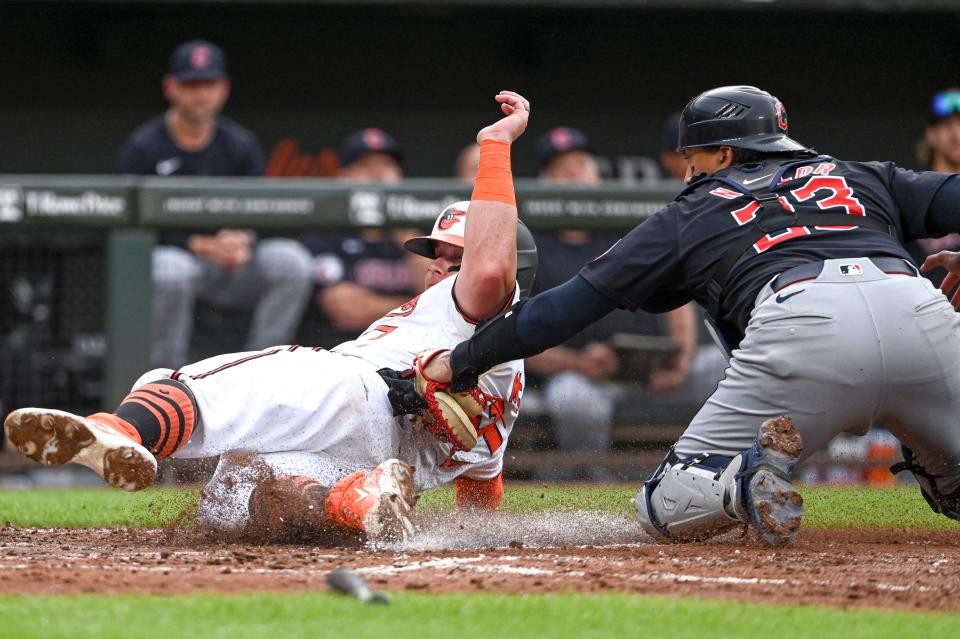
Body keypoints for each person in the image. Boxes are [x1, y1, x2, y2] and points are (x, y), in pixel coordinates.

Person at [422, 85, 960, 546]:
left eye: (693, 157)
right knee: (951, 483)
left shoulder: (693, 208)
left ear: (724, 154)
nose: (686, 170)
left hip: (804, 329)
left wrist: (465, 359)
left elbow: (565, 310)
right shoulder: (862, 175)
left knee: (665, 506)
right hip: (921, 311)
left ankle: (743, 482)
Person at [5, 91, 537, 544]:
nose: (440, 271)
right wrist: (477, 541)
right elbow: (482, 481)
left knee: (181, 384)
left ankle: (119, 429)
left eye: (457, 261)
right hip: (375, 455)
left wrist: (494, 147)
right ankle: (352, 504)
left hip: (347, 390)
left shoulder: (479, 300)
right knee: (241, 500)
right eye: (436, 259)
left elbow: (491, 270)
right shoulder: (506, 371)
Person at [116, 40, 313, 368]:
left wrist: (242, 240)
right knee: (170, 270)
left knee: (292, 263)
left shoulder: (240, 145)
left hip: (234, 264)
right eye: (190, 84)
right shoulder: (144, 146)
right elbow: (127, 226)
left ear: (223, 89)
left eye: (208, 84)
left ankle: (261, 371)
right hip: (182, 262)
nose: (200, 94)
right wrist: (200, 244)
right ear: (171, 88)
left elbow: (259, 211)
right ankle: (163, 380)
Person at [528, 126, 697, 481]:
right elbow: (516, 337)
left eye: (581, 163)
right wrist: (577, 362)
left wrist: (679, 361)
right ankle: (594, 485)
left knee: (725, 367)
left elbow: (679, 302)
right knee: (572, 396)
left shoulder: (628, 227)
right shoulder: (532, 244)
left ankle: (722, 476)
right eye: (561, 168)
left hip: (652, 373)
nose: (574, 172)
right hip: (581, 376)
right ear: (544, 182)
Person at [301, 129, 425, 348]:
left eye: (387, 165)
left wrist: (406, 237)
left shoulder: (419, 233)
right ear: (343, 176)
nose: (378, 174)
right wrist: (419, 309)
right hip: (341, 352)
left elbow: (442, 296)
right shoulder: (324, 234)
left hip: (412, 352)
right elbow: (348, 312)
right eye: (365, 165)